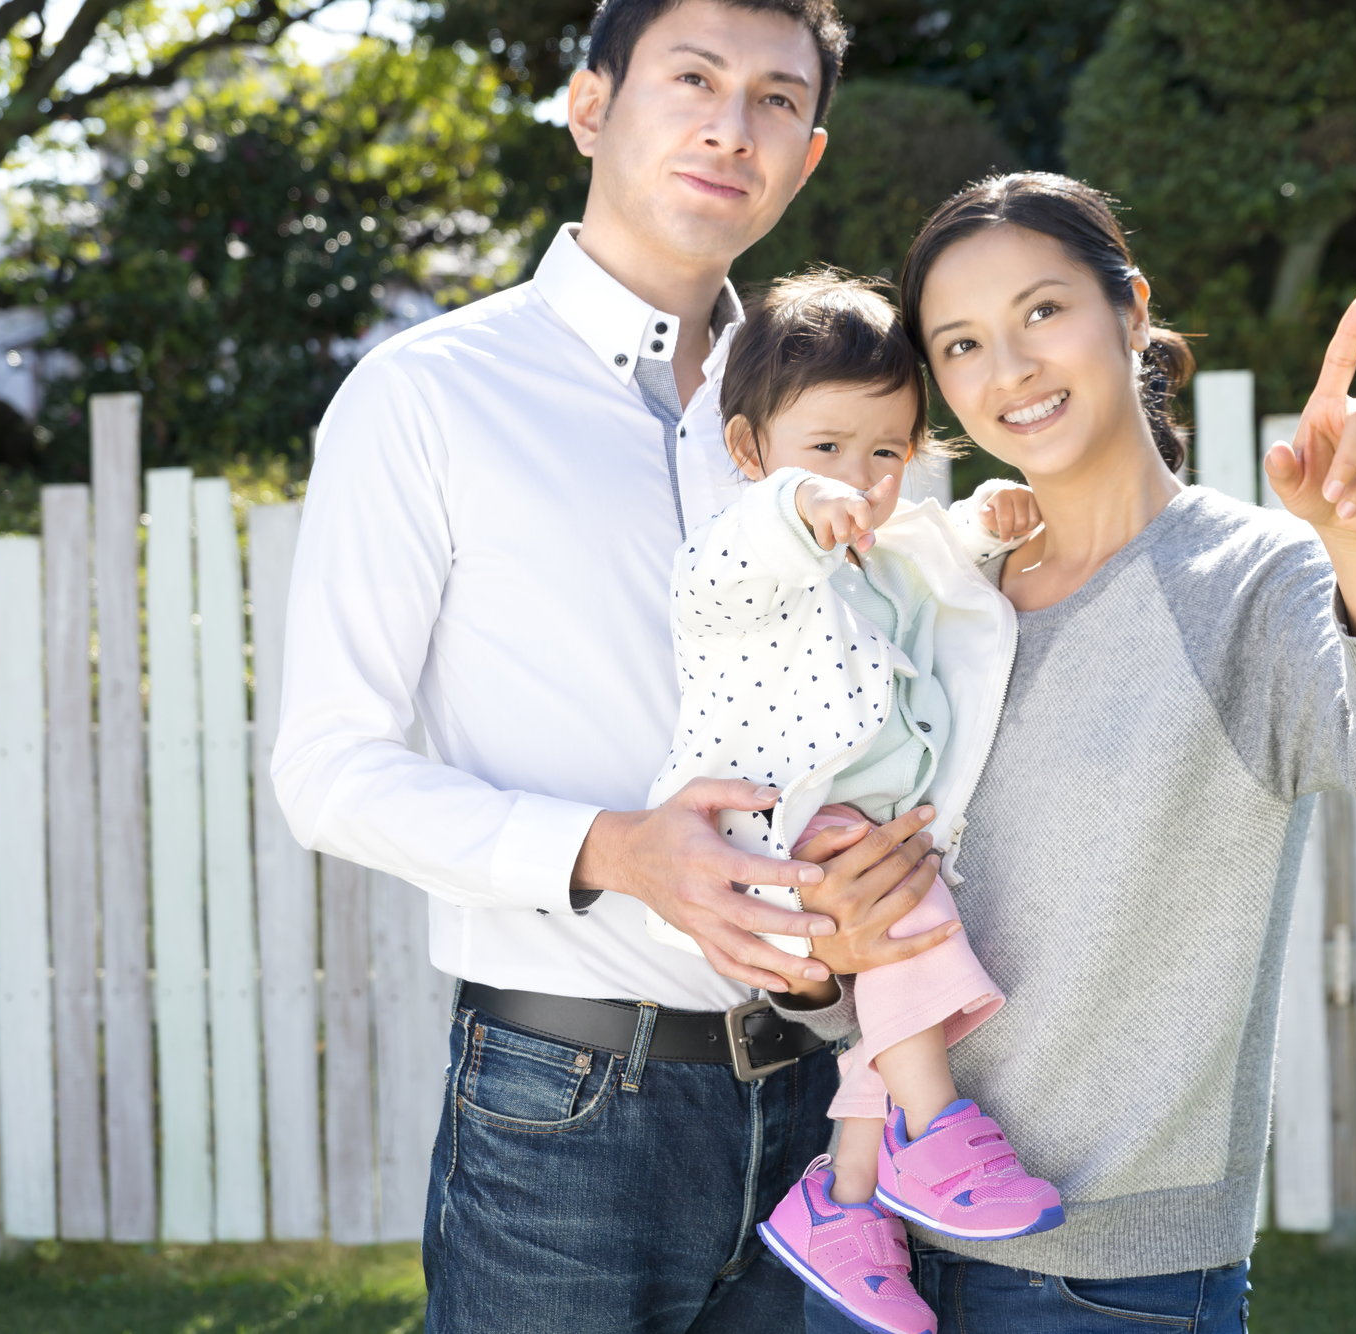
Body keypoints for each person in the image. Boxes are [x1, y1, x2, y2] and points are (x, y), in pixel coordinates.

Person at [271, 4, 959, 1329]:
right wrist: (614, 848)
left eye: (773, 99)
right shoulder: (428, 394)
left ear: (806, 157)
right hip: (569, 1106)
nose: (729, 123)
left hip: (832, 1105)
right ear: (591, 106)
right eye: (691, 78)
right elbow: (327, 768)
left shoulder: (835, 421)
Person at [790, 173, 1356, 1331]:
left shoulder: (1245, 581)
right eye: (961, 343)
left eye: (1041, 312)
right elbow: (875, 943)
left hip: (1106, 1282)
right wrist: (826, 962)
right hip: (876, 1258)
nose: (1009, 369)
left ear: (1130, 312)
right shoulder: (932, 598)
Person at [637, 271, 1061, 1334]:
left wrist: (979, 523)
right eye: (824, 447)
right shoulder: (737, 557)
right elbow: (741, 551)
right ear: (747, 449)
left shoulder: (875, 543)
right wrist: (796, 503)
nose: (861, 479)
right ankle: (934, 1126)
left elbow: (928, 564)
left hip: (860, 826)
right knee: (907, 929)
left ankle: (846, 1195)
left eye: (885, 451)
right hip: (782, 826)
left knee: (884, 987)